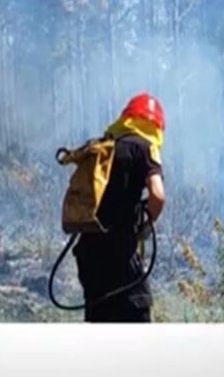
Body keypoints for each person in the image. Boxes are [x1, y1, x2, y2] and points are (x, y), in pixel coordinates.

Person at [73, 92, 166, 322]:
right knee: (137, 317)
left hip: (88, 254)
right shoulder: (144, 147)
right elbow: (157, 194)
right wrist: (146, 225)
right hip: (120, 255)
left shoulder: (106, 146)